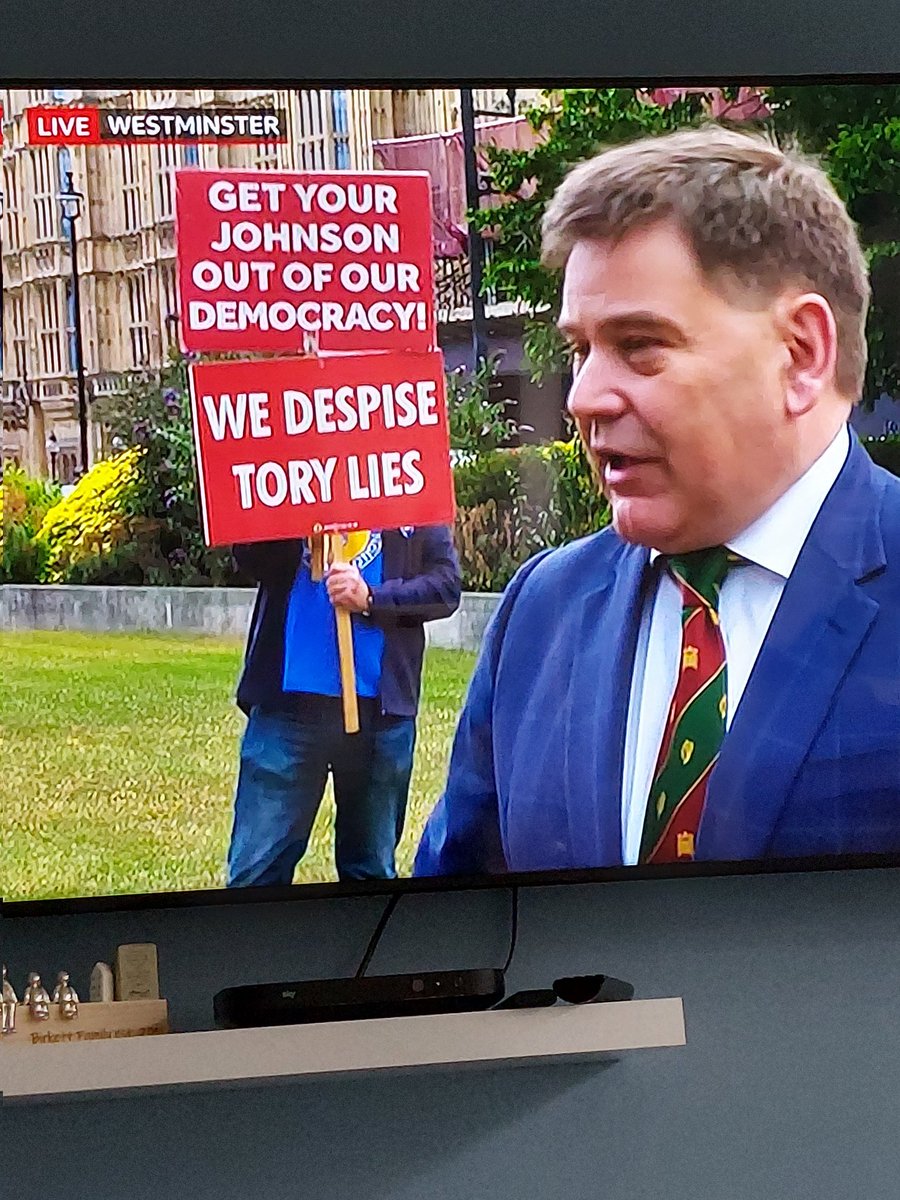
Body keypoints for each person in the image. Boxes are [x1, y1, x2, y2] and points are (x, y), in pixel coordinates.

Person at [414, 124, 900, 878]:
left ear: (801, 355)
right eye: (581, 349)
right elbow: (455, 936)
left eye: (640, 345)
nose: (584, 397)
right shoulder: (540, 613)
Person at [228, 525, 461, 886]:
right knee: (256, 872)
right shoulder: (289, 476)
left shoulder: (406, 483)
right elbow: (249, 559)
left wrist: (372, 597)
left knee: (369, 872)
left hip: (380, 715)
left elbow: (445, 586)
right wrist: (291, 521)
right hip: (287, 706)